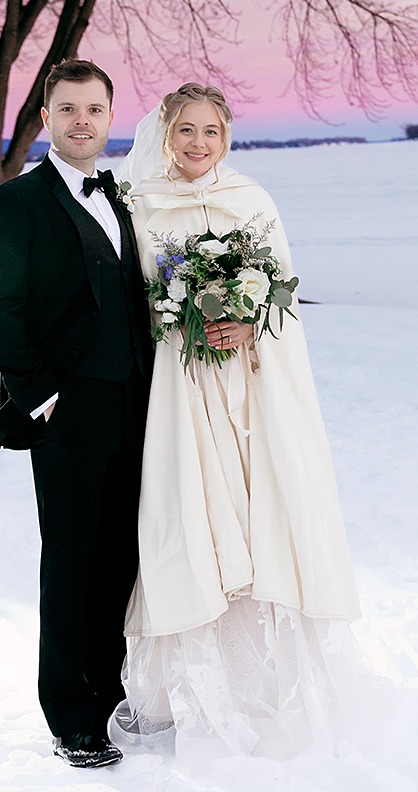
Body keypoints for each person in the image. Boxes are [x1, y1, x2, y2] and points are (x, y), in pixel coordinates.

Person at [111, 83, 363, 763]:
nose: (197, 143)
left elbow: (281, 288)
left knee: (257, 509)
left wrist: (245, 322)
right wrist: (177, 311)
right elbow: (131, 292)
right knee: (190, 506)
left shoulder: (252, 201)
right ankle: (179, 686)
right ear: (164, 134)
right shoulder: (140, 206)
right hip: (179, 383)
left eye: (210, 132)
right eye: (184, 130)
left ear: (227, 138)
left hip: (248, 387)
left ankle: (262, 684)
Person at [0, 58, 153, 769]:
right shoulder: (17, 203)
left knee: (120, 556)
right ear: (45, 119)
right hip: (66, 410)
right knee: (73, 559)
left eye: (95, 110)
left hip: (138, 403)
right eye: (68, 109)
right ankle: (70, 713)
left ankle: (110, 694)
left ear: (111, 118)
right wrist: (40, 393)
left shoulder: (126, 197)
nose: (82, 122)